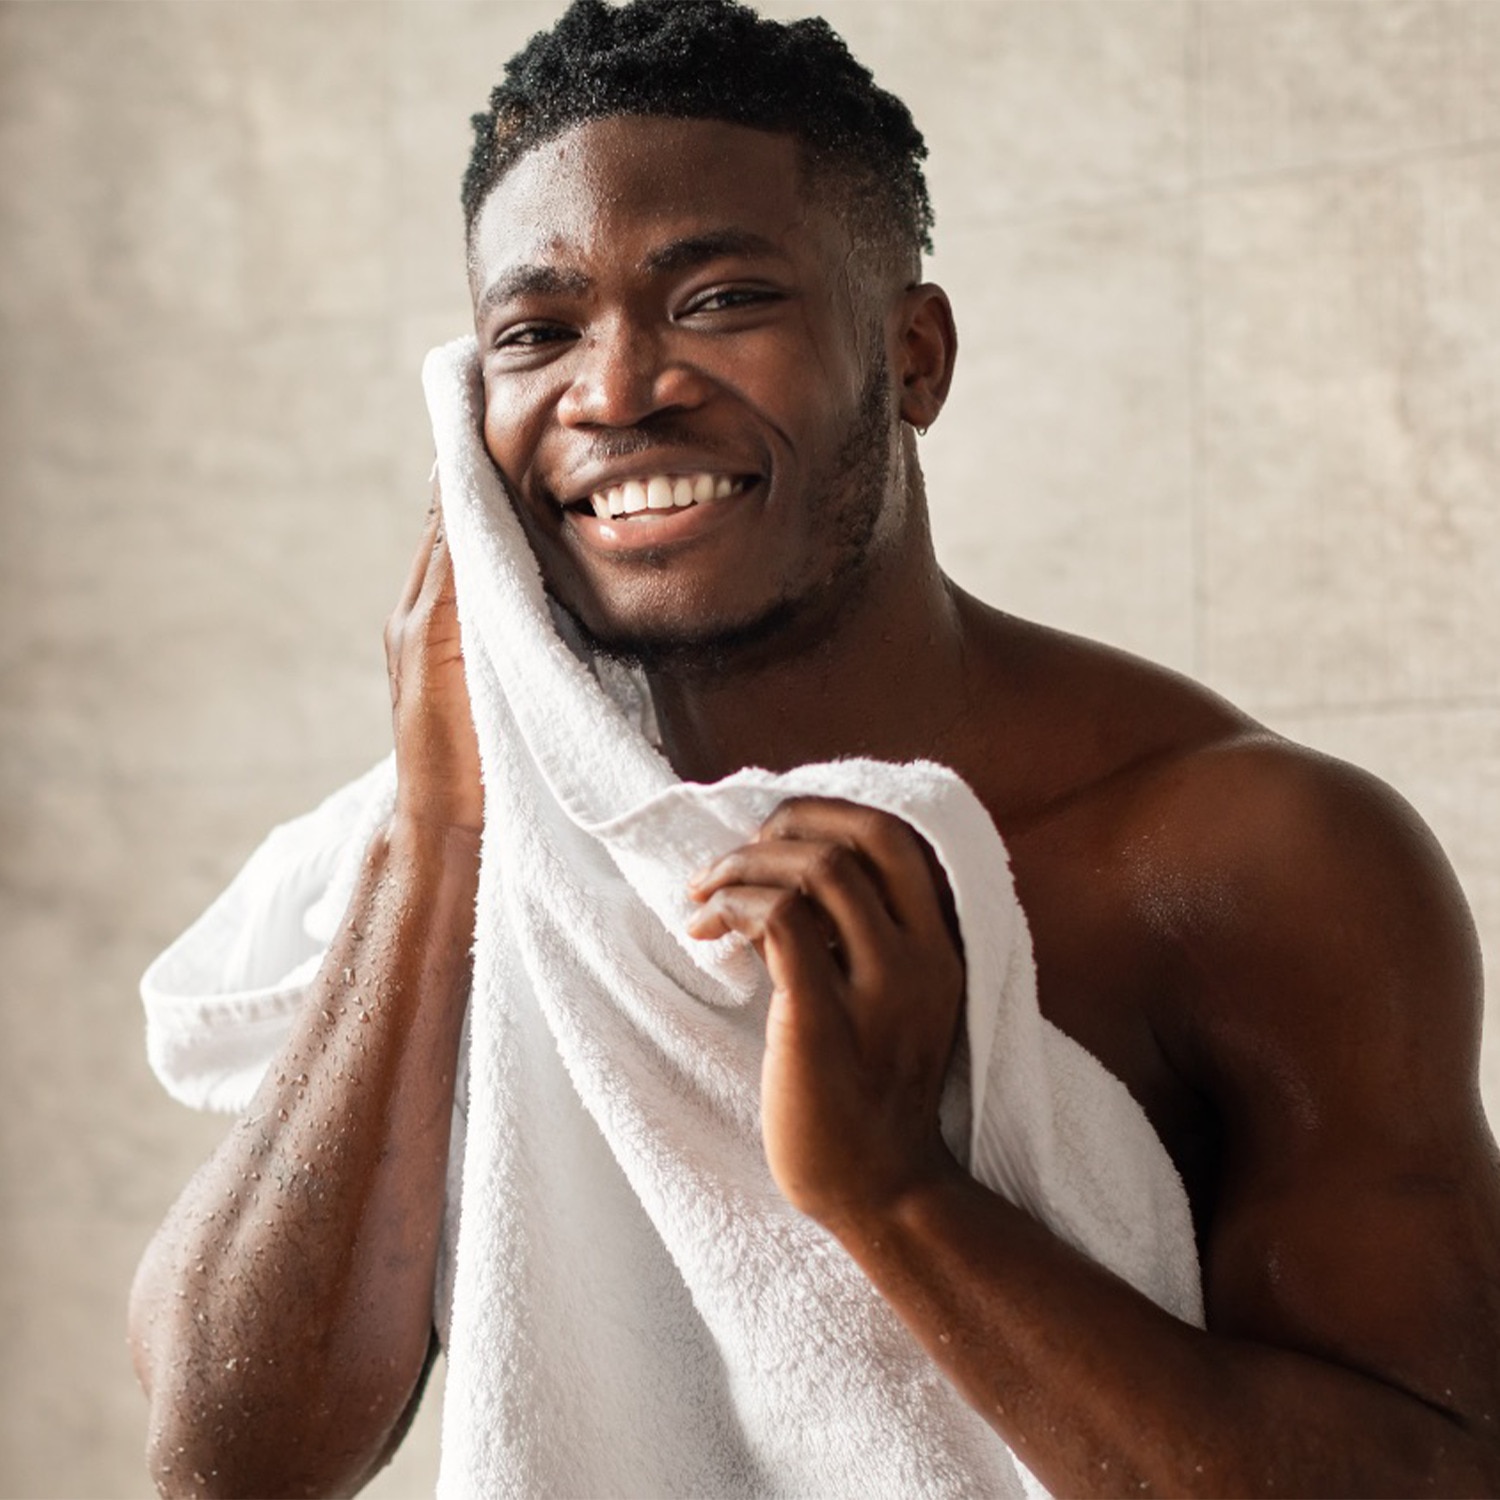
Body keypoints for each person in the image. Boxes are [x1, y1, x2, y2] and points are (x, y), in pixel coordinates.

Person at [129, 0, 1500, 1494]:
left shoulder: (1245, 857)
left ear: (913, 358)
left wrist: (900, 1197)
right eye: (537, 333)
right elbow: (222, 1461)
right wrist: (437, 834)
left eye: (720, 300)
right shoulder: (485, 852)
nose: (614, 390)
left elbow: (1438, 1474)